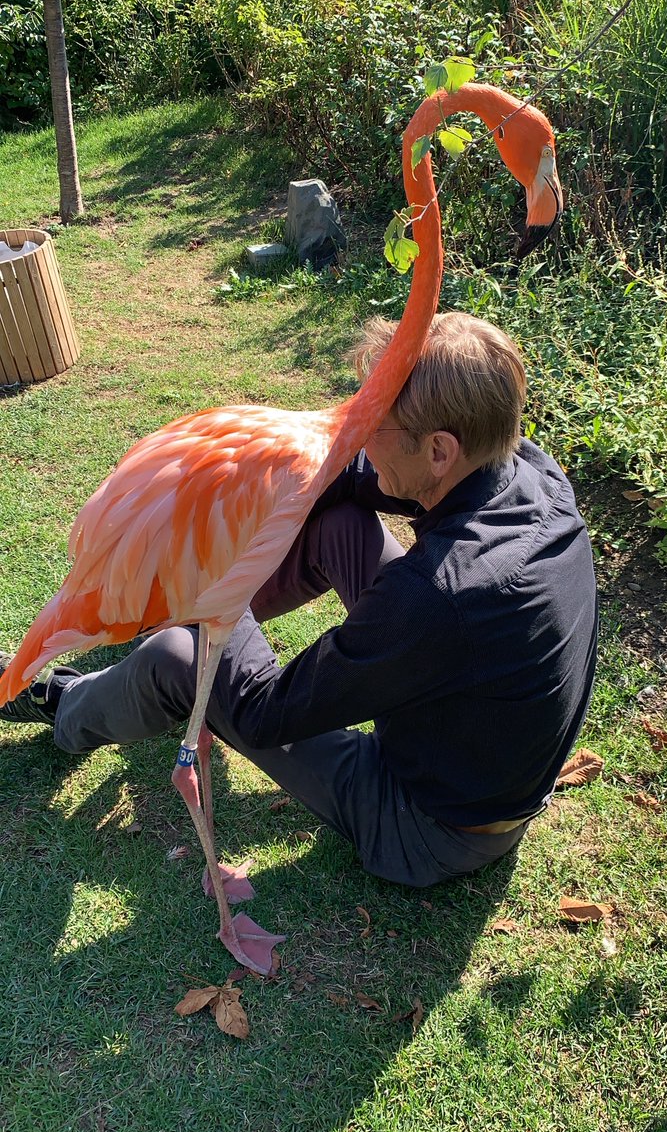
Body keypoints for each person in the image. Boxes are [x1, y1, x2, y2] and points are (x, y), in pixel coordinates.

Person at [0, 312, 598, 888]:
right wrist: (265, 486)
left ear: (439, 451)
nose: (360, 437)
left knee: (180, 657)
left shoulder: (438, 597)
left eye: (375, 427)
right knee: (339, 525)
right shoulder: (525, 472)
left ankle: (63, 705)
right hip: (476, 735)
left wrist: (205, 598)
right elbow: (355, 476)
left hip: (431, 828)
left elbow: (268, 714)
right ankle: (176, 635)